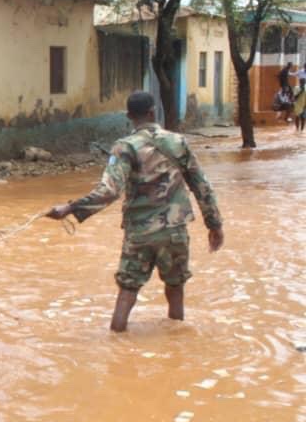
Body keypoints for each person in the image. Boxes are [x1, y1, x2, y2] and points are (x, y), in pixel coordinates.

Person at [47, 91, 224, 332]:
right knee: (175, 287)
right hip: (174, 230)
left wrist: (70, 208)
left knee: (128, 290)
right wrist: (214, 225)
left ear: (129, 116)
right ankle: (177, 342)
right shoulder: (177, 142)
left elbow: (109, 191)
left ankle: (116, 344)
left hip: (140, 232)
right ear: (153, 112)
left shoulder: (124, 147)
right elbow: (201, 185)